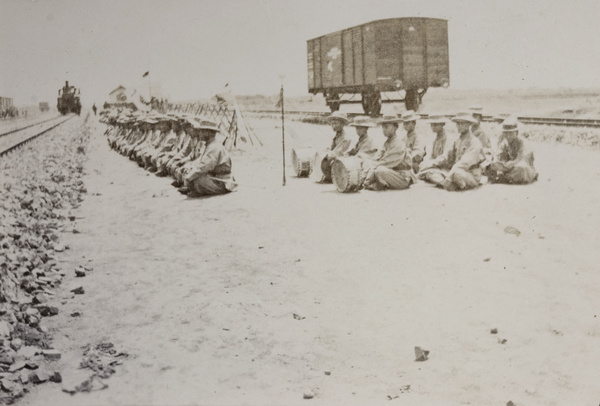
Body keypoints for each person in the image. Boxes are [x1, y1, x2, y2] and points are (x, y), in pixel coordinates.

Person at [420, 112, 485, 191]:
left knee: (456, 174)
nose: (458, 126)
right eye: (457, 124)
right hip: (456, 170)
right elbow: (446, 156)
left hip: (470, 173)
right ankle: (447, 183)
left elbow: (464, 163)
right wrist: (430, 164)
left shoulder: (474, 142)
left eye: (461, 124)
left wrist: (449, 176)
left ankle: (451, 183)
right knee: (431, 172)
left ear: (468, 125)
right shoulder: (458, 140)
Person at [180, 119, 236, 197]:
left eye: (202, 131)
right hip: (213, 177)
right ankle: (197, 190)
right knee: (191, 173)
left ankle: (200, 191)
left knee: (197, 179)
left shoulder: (214, 147)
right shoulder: (209, 145)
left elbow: (203, 167)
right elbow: (200, 162)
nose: (199, 133)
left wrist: (188, 177)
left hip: (221, 181)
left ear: (208, 133)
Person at [362, 115, 416, 191]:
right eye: (383, 127)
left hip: (401, 176)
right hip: (391, 172)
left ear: (395, 128)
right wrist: (369, 164)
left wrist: (366, 176)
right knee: (368, 162)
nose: (383, 130)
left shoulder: (398, 145)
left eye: (386, 127)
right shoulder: (387, 143)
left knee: (379, 170)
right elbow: (377, 158)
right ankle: (377, 183)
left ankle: (372, 183)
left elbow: (385, 162)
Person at [485, 117, 538, 184]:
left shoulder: (524, 144)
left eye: (511, 133)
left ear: (516, 133)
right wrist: (498, 163)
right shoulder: (504, 143)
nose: (508, 136)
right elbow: (499, 157)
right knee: (489, 165)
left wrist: (510, 164)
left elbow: (522, 159)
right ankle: (505, 177)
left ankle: (504, 177)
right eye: (506, 133)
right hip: (508, 168)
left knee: (522, 169)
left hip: (522, 168)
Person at [319, 112, 355, 183]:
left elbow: (339, 152)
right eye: (332, 124)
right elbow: (333, 148)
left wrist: (328, 154)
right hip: (336, 157)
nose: (333, 126)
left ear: (342, 124)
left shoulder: (346, 138)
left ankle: (333, 177)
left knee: (327, 161)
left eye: (335, 123)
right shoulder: (337, 136)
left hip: (343, 160)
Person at [418, 114, 452, 183]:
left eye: (435, 125)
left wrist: (430, 164)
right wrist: (425, 163)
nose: (433, 127)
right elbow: (429, 155)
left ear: (442, 125)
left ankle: (444, 182)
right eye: (432, 125)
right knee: (423, 172)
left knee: (431, 174)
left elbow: (445, 157)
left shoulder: (449, 139)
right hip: (434, 166)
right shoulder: (433, 139)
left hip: (444, 167)